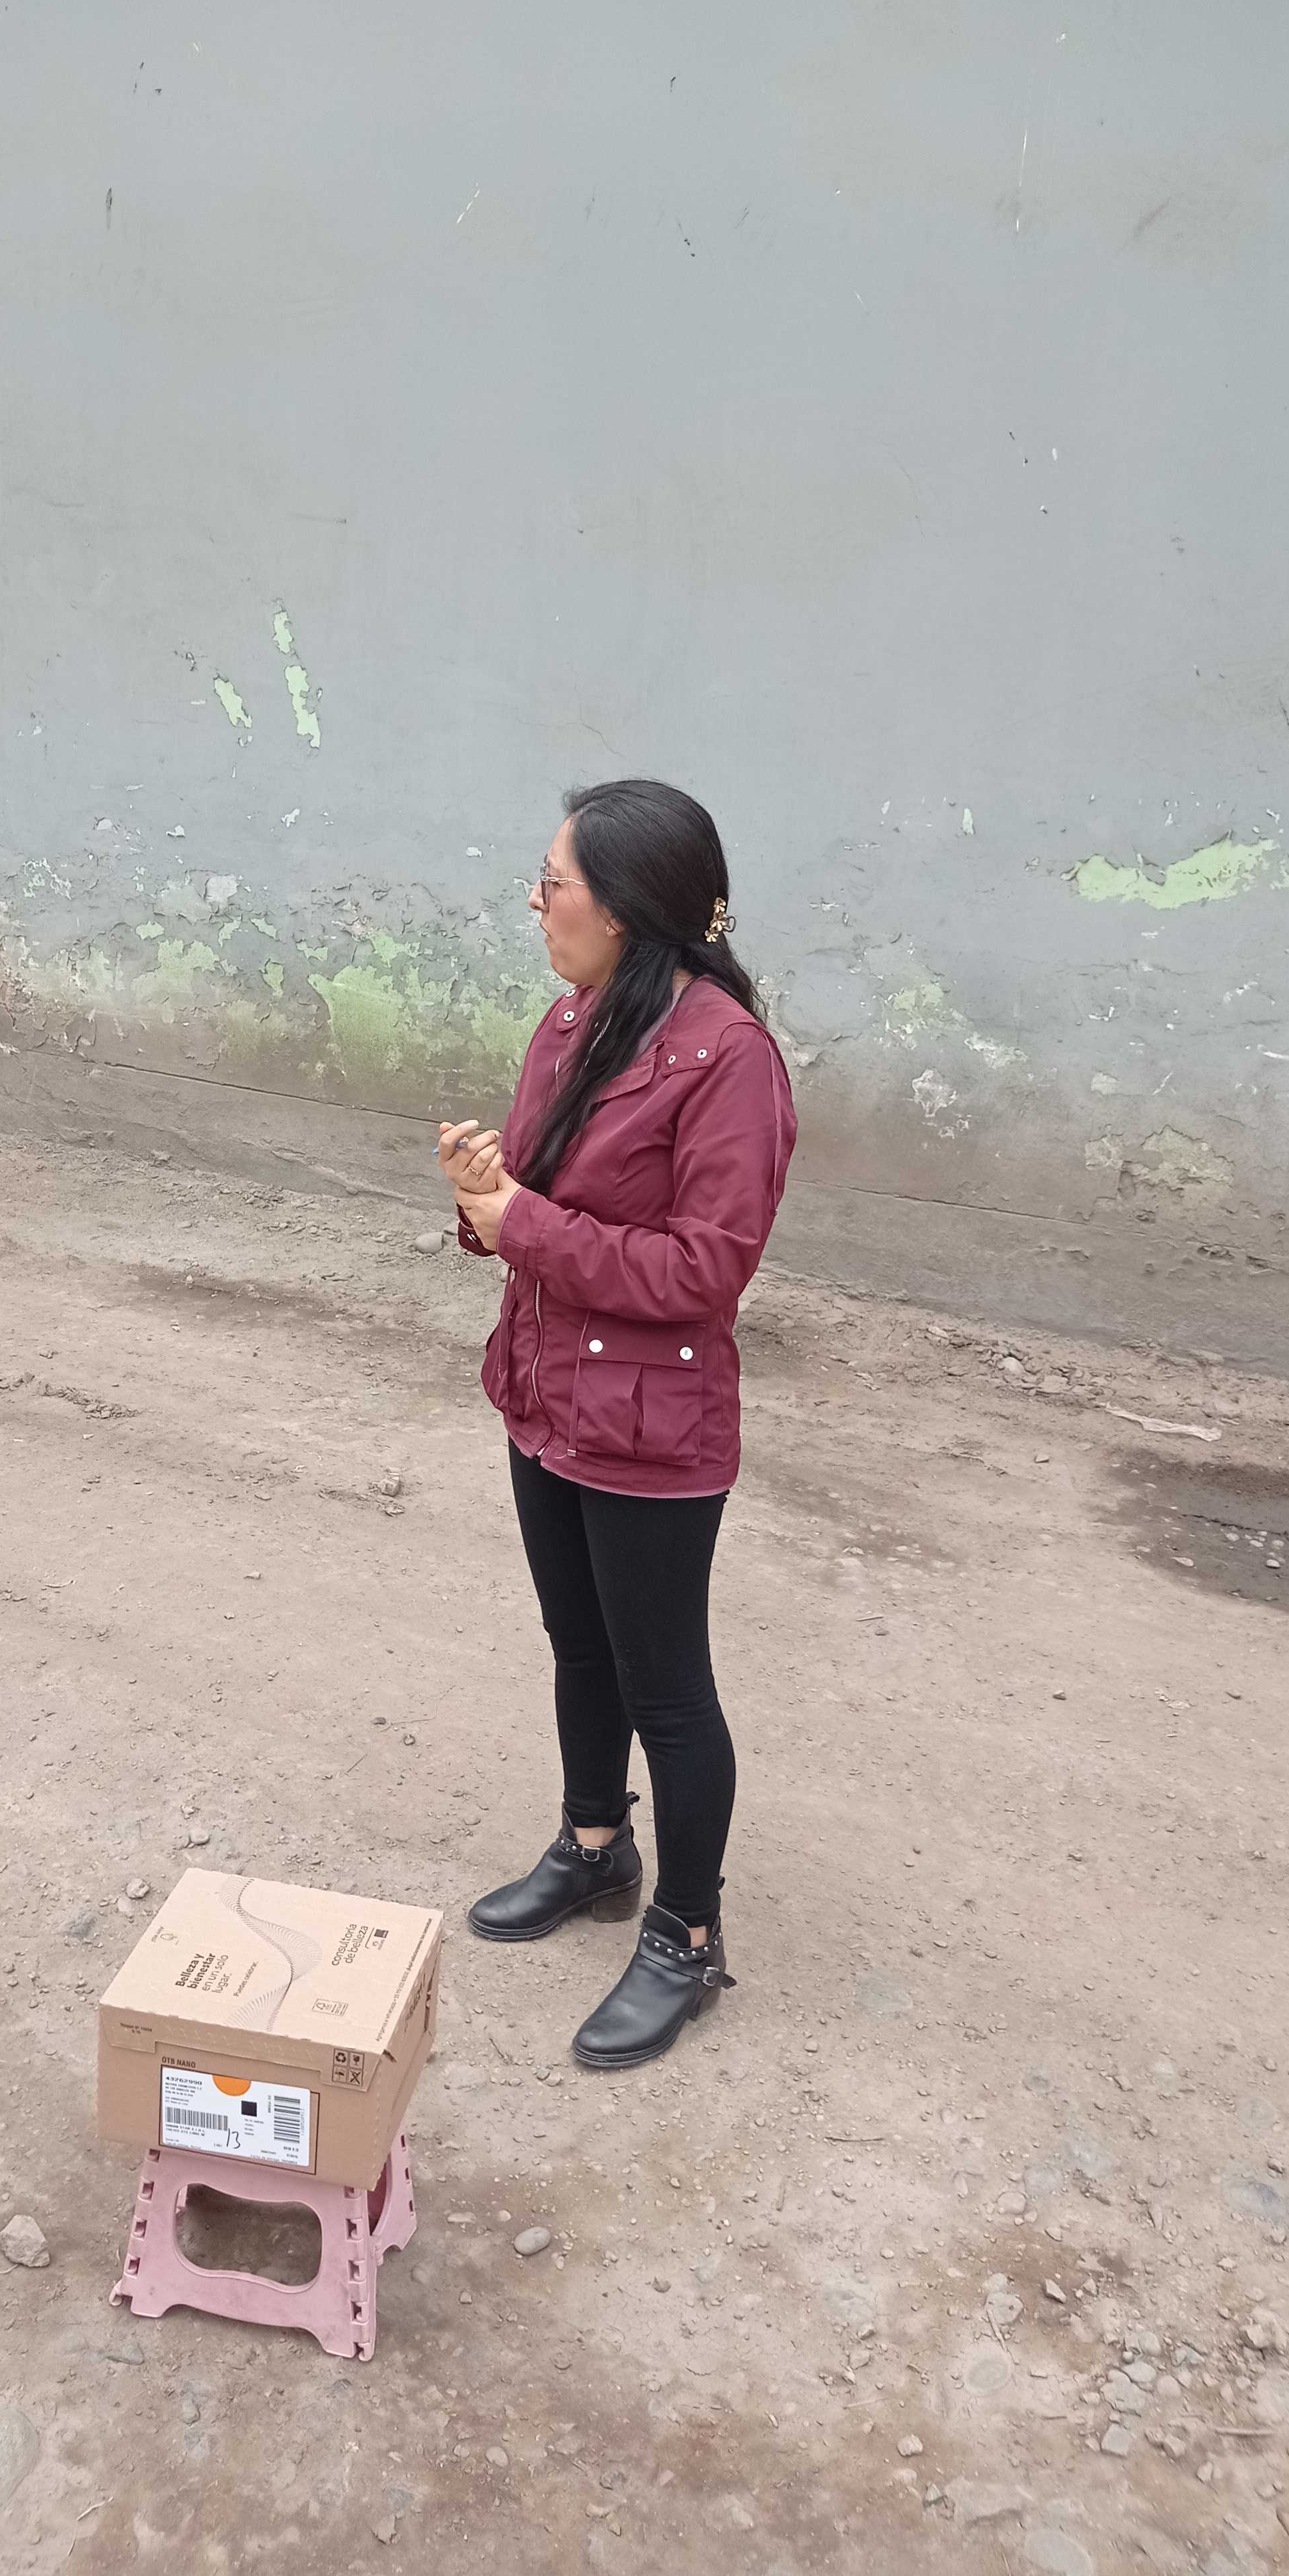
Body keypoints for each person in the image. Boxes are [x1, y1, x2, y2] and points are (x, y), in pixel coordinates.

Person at [437, 780, 797, 2070]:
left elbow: (706, 1269)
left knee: (667, 1688)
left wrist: (522, 1223)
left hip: (652, 1427)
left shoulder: (730, 1058)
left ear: (629, 909)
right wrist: (486, 1196)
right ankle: (595, 1845)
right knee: (578, 1645)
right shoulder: (574, 1019)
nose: (537, 905)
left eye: (555, 884)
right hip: (546, 1393)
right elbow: (538, 1204)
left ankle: (686, 1935)